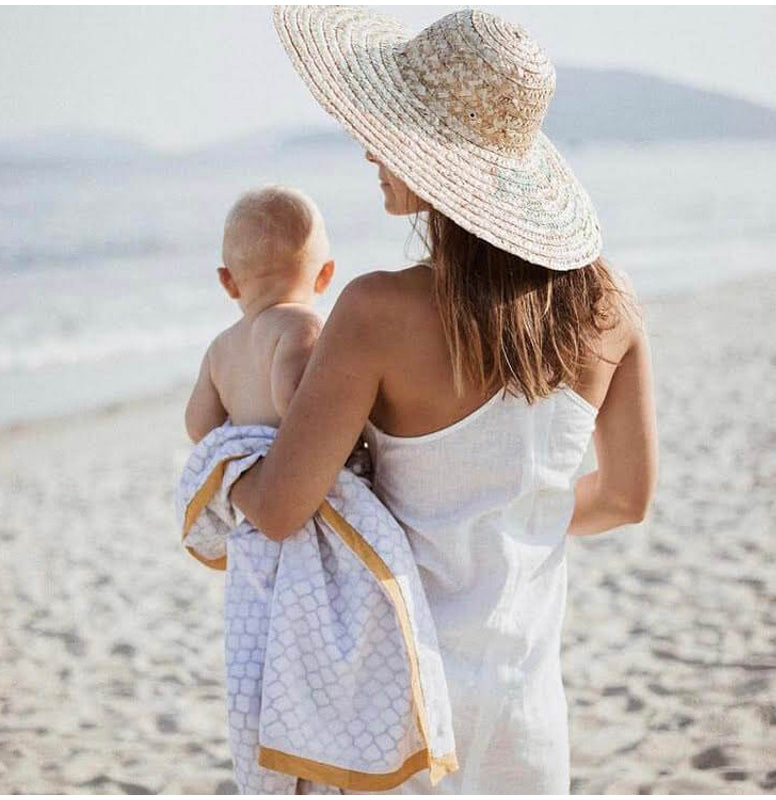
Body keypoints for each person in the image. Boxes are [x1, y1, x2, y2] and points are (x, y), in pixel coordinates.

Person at [230, 7, 658, 794]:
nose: (370, 148)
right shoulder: (610, 308)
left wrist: (221, 463)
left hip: (401, 711)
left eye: (388, 130)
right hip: (527, 715)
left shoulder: (375, 312)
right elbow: (626, 499)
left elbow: (279, 510)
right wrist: (511, 512)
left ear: (433, 158)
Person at [184, 185, 334, 443]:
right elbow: (300, 407)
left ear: (228, 282)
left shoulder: (219, 349)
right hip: (289, 456)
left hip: (243, 460)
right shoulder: (302, 325)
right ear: (324, 275)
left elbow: (199, 428)